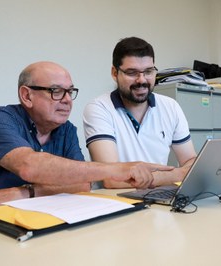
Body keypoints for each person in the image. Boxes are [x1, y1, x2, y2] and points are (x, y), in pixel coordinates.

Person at [0, 61, 173, 213]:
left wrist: (25, 193)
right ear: (26, 95)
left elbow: (82, 184)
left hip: (35, 219)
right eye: (56, 91)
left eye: (70, 92)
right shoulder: (0, 119)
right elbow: (29, 166)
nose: (68, 100)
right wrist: (118, 168)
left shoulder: (66, 129)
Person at [83, 37, 197, 189]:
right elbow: (111, 179)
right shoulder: (99, 109)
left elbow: (190, 161)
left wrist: (160, 177)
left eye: (148, 71)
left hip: (158, 200)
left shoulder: (171, 107)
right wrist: (176, 174)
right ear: (114, 73)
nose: (141, 80)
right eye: (132, 72)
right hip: (117, 203)